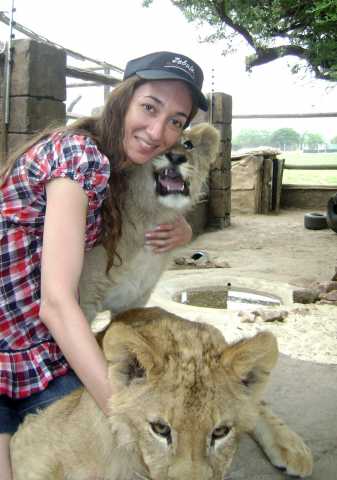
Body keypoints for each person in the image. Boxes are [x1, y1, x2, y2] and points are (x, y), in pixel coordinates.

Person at [0, 50, 208, 479]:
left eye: (176, 121)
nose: (159, 131)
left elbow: (145, 211)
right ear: (123, 99)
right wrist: (126, 412)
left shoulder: (114, 166)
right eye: (150, 107)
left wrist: (184, 230)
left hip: (34, 350)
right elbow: (57, 302)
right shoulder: (81, 156)